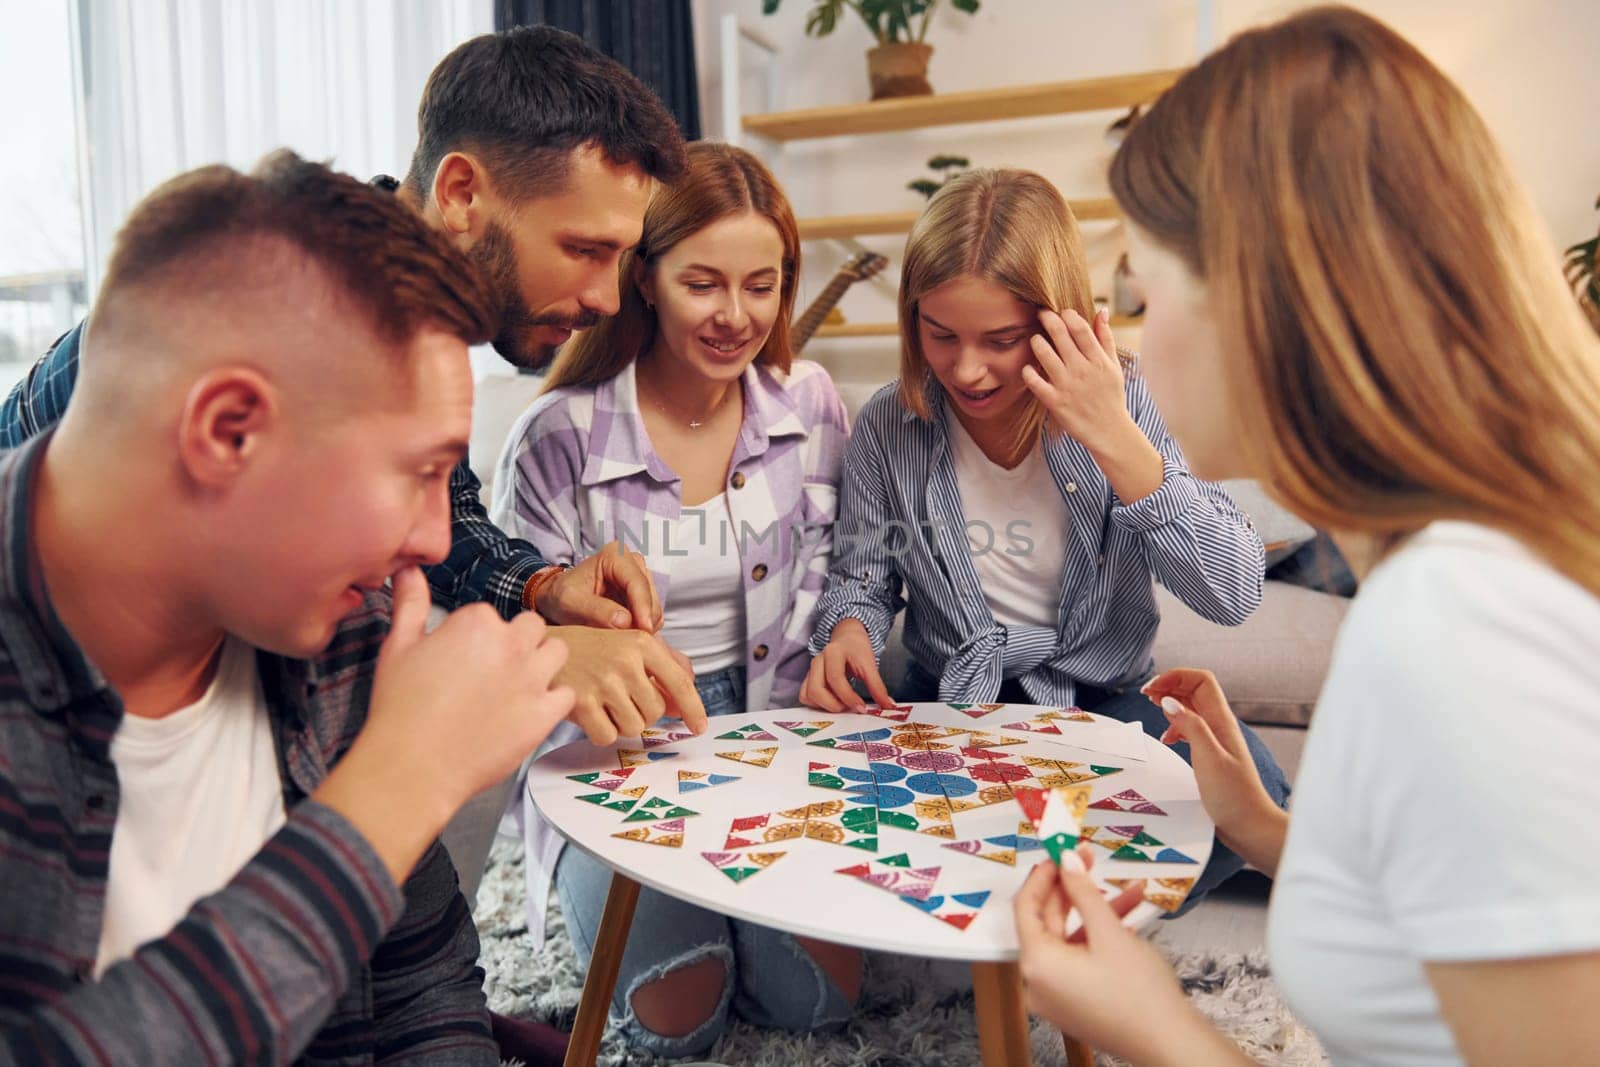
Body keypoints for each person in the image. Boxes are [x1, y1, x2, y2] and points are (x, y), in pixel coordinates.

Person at [1012, 8, 1600, 1064]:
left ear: (1261, 298)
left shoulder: (1455, 623)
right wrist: (1276, 833)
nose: (1137, 338)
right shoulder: (1466, 573)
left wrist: (1156, 1026)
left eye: (1144, 285)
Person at [0, 152, 575, 1062]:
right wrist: (397, 784)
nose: (436, 539)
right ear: (228, 430)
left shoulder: (333, 624)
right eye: (421, 471)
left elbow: (422, 985)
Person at [0, 25, 704, 750]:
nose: (607, 300)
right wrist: (537, 659)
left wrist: (540, 591)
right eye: (585, 249)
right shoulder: (280, 302)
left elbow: (438, 522)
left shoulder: (417, 309)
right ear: (461, 193)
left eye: (618, 258)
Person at [802, 167, 1288, 906]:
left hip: (1100, 702)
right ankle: (1032, 873)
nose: (967, 369)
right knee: (838, 819)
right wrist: (847, 630)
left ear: (1061, 318)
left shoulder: (1128, 402)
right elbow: (864, 578)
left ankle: (1034, 874)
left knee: (1253, 793)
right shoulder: (886, 425)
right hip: (947, 704)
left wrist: (1115, 440)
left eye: (1001, 339)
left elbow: (1234, 592)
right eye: (940, 335)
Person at [491, 141, 854, 1058]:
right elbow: (504, 625)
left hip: (782, 730)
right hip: (617, 746)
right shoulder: (557, 437)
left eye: (762, 285)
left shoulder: (809, 404)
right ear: (643, 279)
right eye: (704, 283)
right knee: (678, 1017)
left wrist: (851, 631)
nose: (737, 315)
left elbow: (850, 556)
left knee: (815, 1000)